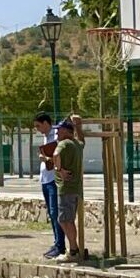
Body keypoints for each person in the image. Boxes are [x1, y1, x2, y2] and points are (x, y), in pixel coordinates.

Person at [54, 118, 87, 261]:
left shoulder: (64, 144)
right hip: (75, 187)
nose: (56, 132)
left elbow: (56, 154)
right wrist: (78, 126)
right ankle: (74, 248)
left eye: (59, 130)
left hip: (66, 187)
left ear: (67, 131)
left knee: (64, 220)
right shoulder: (76, 144)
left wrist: (59, 169)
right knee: (68, 219)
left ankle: (73, 250)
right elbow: (82, 141)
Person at [33, 112, 62, 258]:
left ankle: (60, 245)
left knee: (55, 212)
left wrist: (47, 158)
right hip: (45, 179)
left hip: (53, 179)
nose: (37, 129)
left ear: (46, 123)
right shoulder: (46, 137)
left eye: (38, 125)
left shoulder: (57, 135)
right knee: (52, 213)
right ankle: (57, 241)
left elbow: (59, 157)